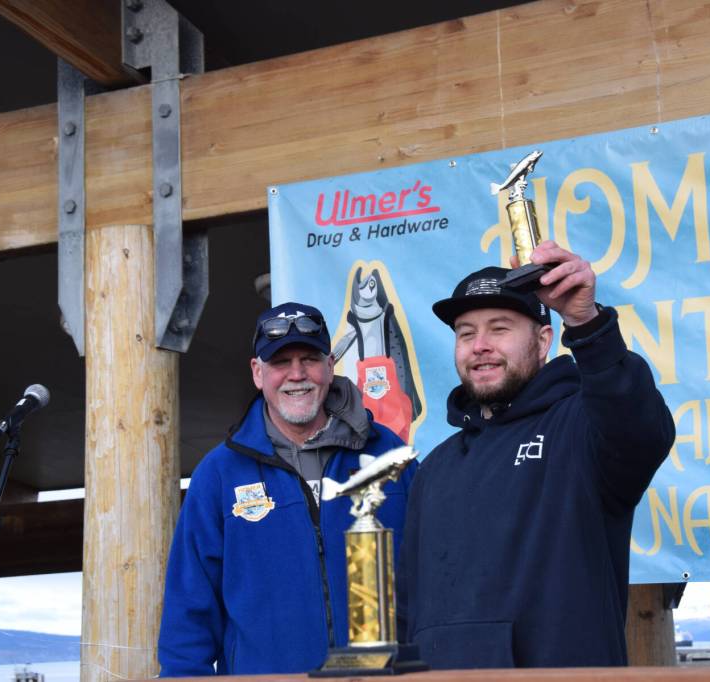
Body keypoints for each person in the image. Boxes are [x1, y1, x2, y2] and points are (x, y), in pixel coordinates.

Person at [398, 241, 675, 669]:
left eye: (501, 328)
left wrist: (586, 324)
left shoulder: (581, 426)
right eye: (466, 333)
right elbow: (408, 608)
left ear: (544, 339)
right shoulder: (435, 467)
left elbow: (640, 430)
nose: (480, 345)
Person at [158, 302, 415, 676]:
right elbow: (188, 611)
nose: (297, 374)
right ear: (258, 372)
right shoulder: (218, 475)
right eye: (281, 362)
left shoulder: (391, 455)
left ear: (329, 366)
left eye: (309, 359)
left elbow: (439, 580)